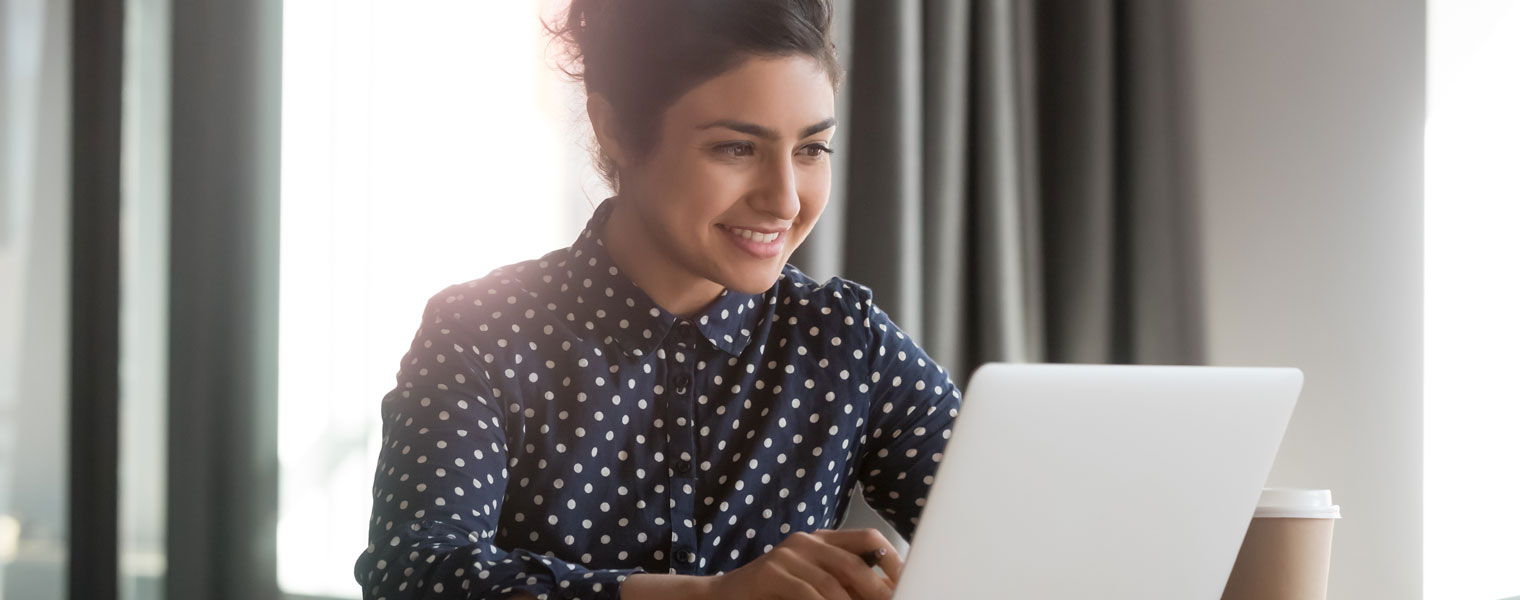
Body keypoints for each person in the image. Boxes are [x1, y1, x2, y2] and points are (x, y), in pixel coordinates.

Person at [354, 1, 961, 598]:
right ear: (614, 128)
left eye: (811, 150)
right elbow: (414, 575)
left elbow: (1017, 529)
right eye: (737, 148)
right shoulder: (480, 332)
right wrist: (710, 597)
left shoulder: (846, 341)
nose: (786, 200)